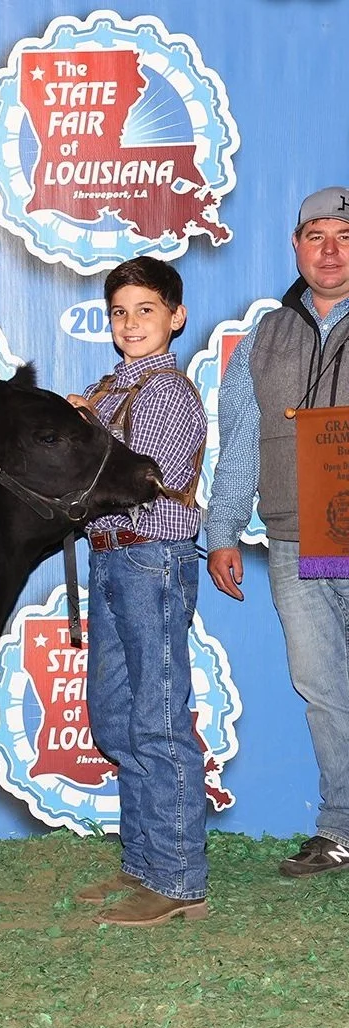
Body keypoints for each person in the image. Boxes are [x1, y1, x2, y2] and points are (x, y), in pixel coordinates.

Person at [208, 186, 349, 877]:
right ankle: (340, 828)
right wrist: (223, 529)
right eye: (317, 235)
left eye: (345, 236)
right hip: (300, 541)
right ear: (296, 245)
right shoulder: (266, 334)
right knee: (322, 687)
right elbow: (240, 439)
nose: (330, 250)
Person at [70, 256, 209, 925]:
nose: (131, 323)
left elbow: (135, 483)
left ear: (176, 317)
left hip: (151, 559)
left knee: (156, 718)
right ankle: (145, 860)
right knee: (118, 716)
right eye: (121, 312)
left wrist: (79, 437)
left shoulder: (165, 394)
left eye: (146, 310)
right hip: (114, 559)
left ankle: (180, 879)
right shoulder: (112, 389)